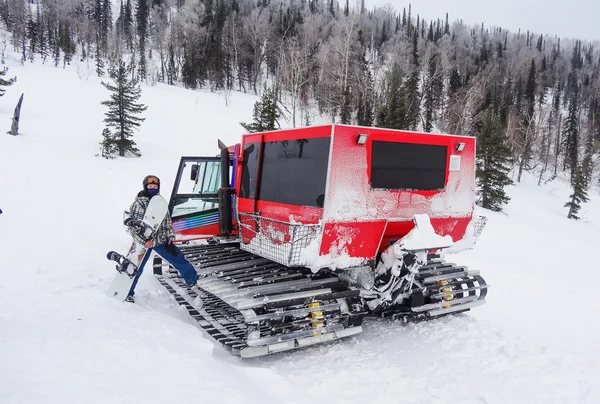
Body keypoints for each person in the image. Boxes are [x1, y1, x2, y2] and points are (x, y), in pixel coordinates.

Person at [124, 174, 201, 302]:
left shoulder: (159, 201)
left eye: (155, 186)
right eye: (150, 186)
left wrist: (170, 236)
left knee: (178, 257)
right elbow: (133, 228)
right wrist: (144, 241)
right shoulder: (139, 204)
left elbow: (167, 222)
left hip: (159, 240)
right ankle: (127, 292)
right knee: (136, 267)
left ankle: (193, 280)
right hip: (145, 242)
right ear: (145, 187)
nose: (153, 188)